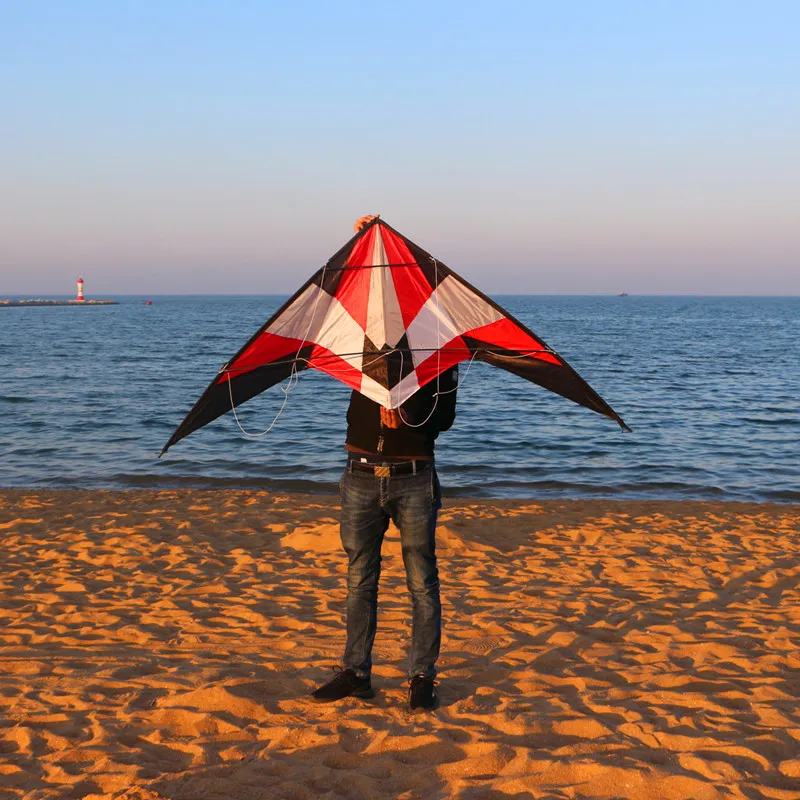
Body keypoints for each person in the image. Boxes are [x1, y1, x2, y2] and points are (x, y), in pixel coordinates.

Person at [311, 215, 458, 712]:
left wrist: (408, 409)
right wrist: (361, 243)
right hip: (358, 475)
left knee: (421, 580)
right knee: (359, 578)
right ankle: (356, 672)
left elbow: (445, 421)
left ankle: (421, 677)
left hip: (414, 478)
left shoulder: (441, 349)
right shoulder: (364, 336)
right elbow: (360, 286)